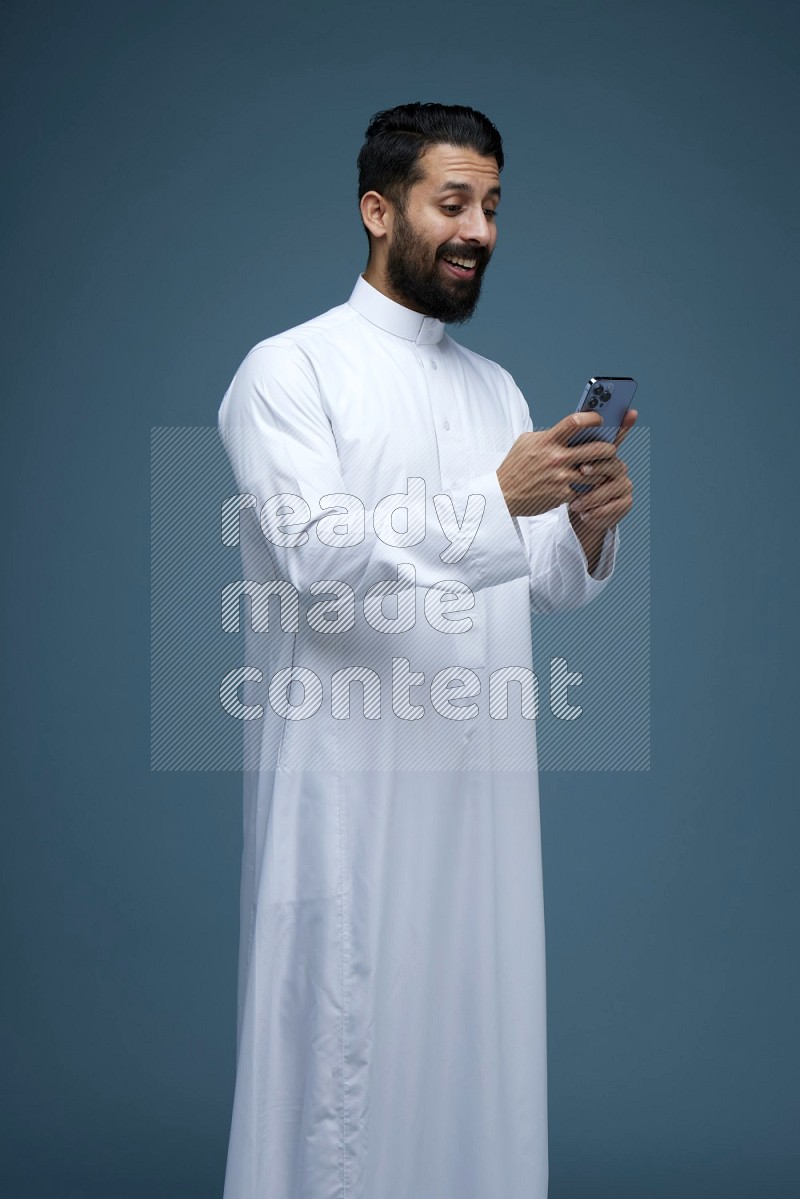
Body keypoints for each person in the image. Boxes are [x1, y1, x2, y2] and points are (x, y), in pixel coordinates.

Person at [217, 101, 636, 1199]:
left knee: (477, 1060)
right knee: (341, 1069)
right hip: (350, 797)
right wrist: (495, 497)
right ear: (377, 209)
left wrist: (585, 525)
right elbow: (315, 558)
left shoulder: (491, 388)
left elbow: (537, 579)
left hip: (481, 809)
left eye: (491, 206)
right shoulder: (288, 371)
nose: (478, 229)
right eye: (452, 202)